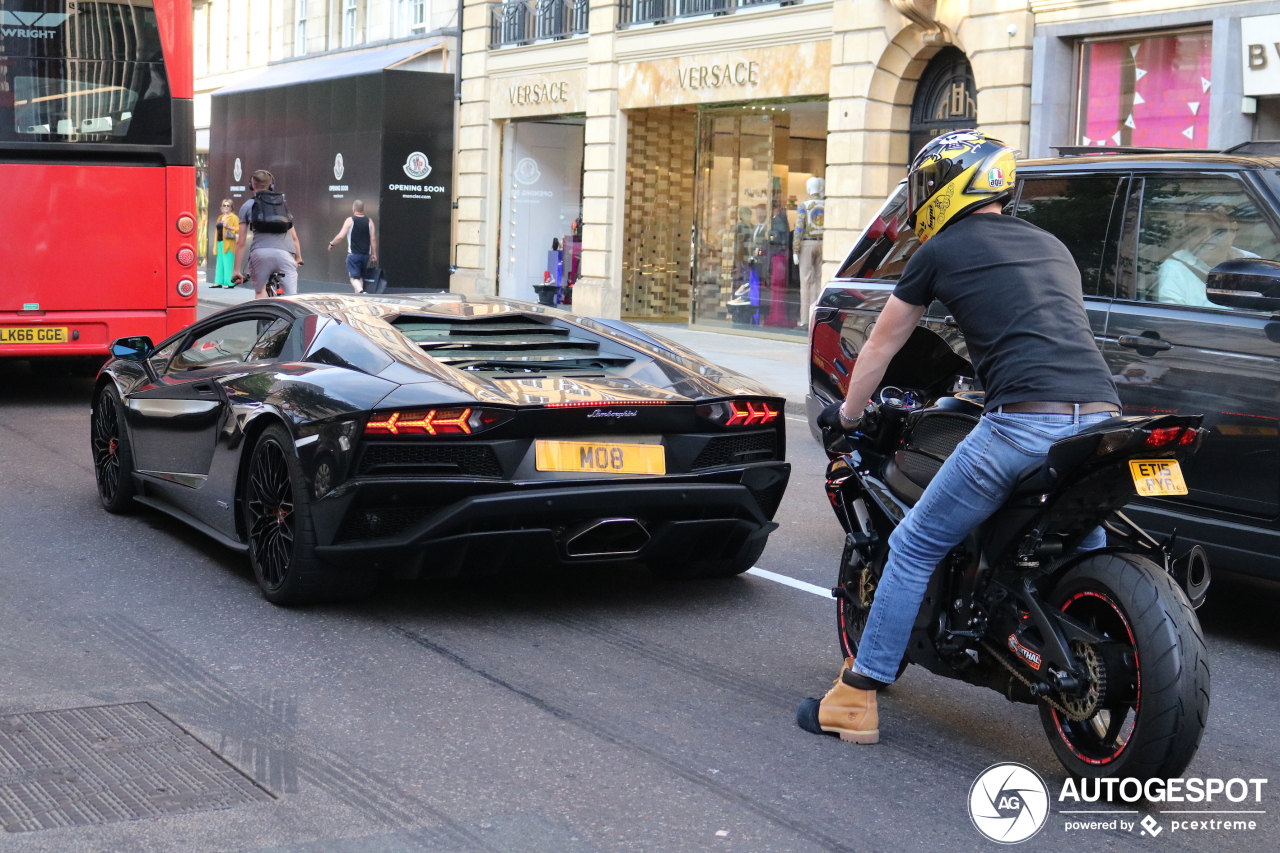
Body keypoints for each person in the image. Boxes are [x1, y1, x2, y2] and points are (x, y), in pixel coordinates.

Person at [798, 131, 1121, 745]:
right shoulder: (1053, 246)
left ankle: (856, 699)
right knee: (1083, 544)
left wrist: (846, 414)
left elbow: (883, 343)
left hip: (1026, 423)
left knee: (916, 543)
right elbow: (1041, 329)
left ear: (945, 189)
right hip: (1102, 418)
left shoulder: (940, 250)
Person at [1155, 207, 1255, 307]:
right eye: (1197, 230)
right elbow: (1172, 320)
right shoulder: (1174, 270)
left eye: (1218, 230)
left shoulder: (1252, 264)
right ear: (1187, 235)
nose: (1208, 238)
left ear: (1233, 230)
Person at [230, 170, 304, 298]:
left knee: (260, 291)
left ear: (252, 185)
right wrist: (298, 258)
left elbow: (241, 242)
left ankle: (263, 317)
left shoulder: (247, 206)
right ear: (271, 186)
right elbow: (294, 237)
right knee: (292, 297)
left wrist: (236, 270)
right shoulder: (281, 205)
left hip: (260, 255)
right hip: (285, 255)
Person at [793, 176, 825, 329]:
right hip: (823, 243)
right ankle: (816, 317)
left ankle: (805, 319)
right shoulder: (826, 204)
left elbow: (799, 228)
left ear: (808, 189)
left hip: (807, 243)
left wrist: (795, 249)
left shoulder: (804, 205)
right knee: (819, 281)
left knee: (806, 282)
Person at [327, 200, 378, 293]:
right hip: (366, 255)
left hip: (353, 255)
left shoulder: (350, 220)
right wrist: (374, 253)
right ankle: (358, 299)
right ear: (363, 209)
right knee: (360, 278)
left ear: (353, 209)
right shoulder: (369, 221)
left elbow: (340, 236)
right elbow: (373, 239)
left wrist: (332, 243)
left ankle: (362, 292)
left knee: (353, 278)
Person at [213, 200, 239, 287]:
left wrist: (228, 226)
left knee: (228, 263)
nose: (226, 207)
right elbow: (217, 231)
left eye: (228, 205)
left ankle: (230, 283)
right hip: (219, 241)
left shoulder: (233, 217)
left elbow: (238, 229)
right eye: (224, 205)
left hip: (228, 242)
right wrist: (214, 245)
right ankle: (218, 282)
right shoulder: (220, 217)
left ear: (231, 207)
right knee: (219, 263)